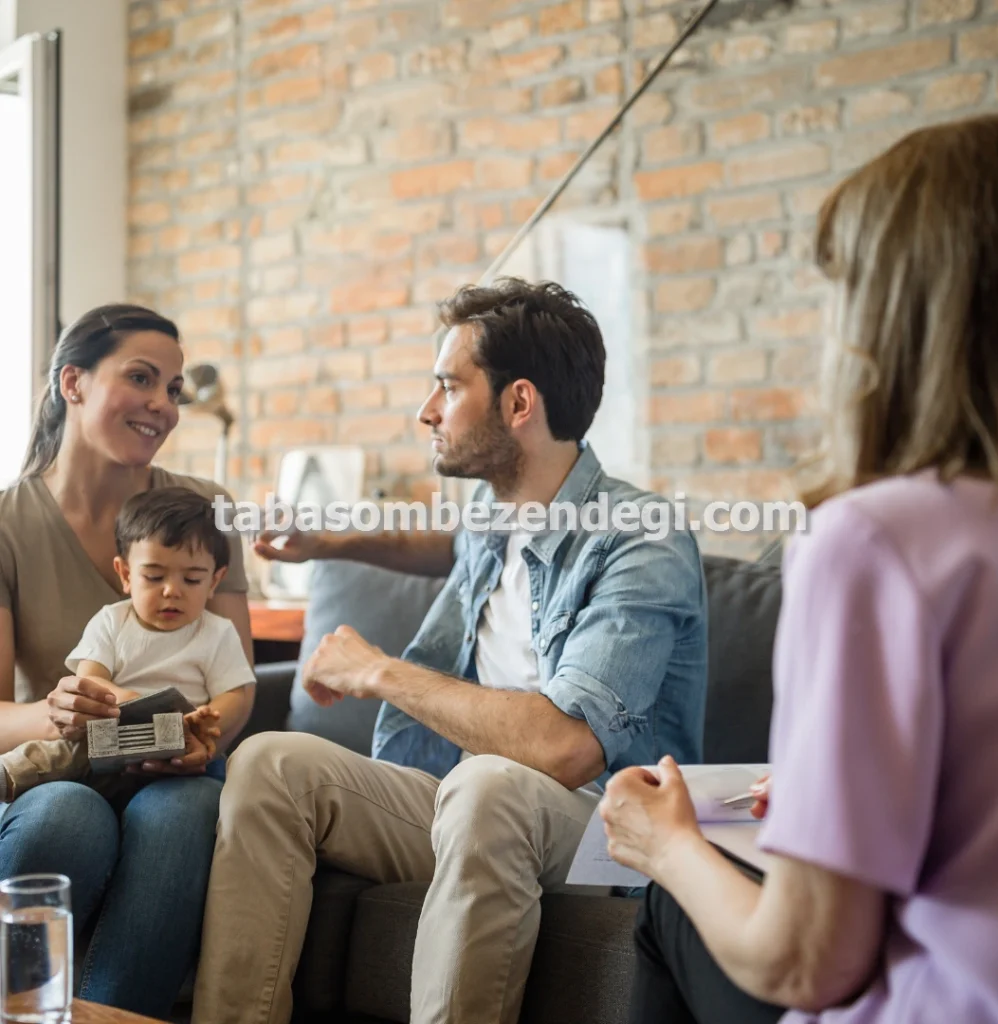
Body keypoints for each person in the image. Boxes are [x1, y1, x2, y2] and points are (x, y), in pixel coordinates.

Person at [599, 114, 998, 1024]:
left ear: (894, 315)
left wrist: (664, 843)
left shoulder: (874, 542)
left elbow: (804, 963)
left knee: (668, 902)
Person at [191, 278, 709, 1024]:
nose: (425, 411)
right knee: (271, 765)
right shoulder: (498, 512)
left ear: (519, 403)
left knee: (491, 785)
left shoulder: (640, 538)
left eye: (446, 386)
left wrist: (381, 672)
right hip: (469, 809)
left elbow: (565, 748)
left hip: (609, 831)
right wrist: (331, 540)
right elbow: (443, 545)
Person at [0, 304, 254, 1019]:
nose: (162, 405)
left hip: (179, 772)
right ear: (72, 382)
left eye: (174, 388)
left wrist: (205, 736)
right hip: (64, 763)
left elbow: (232, 681)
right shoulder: (6, 526)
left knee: (184, 809)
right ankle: (21, 1007)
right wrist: (54, 710)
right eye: (141, 378)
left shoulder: (208, 512)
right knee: (66, 817)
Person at [0, 486, 255, 799]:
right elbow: (90, 678)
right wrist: (130, 700)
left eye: (191, 580)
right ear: (125, 574)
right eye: (154, 576)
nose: (172, 591)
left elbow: (234, 694)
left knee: (217, 779)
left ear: (214, 581)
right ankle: (11, 774)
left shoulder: (218, 632)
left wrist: (205, 721)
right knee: (62, 752)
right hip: (114, 738)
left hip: (182, 745)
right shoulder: (112, 620)